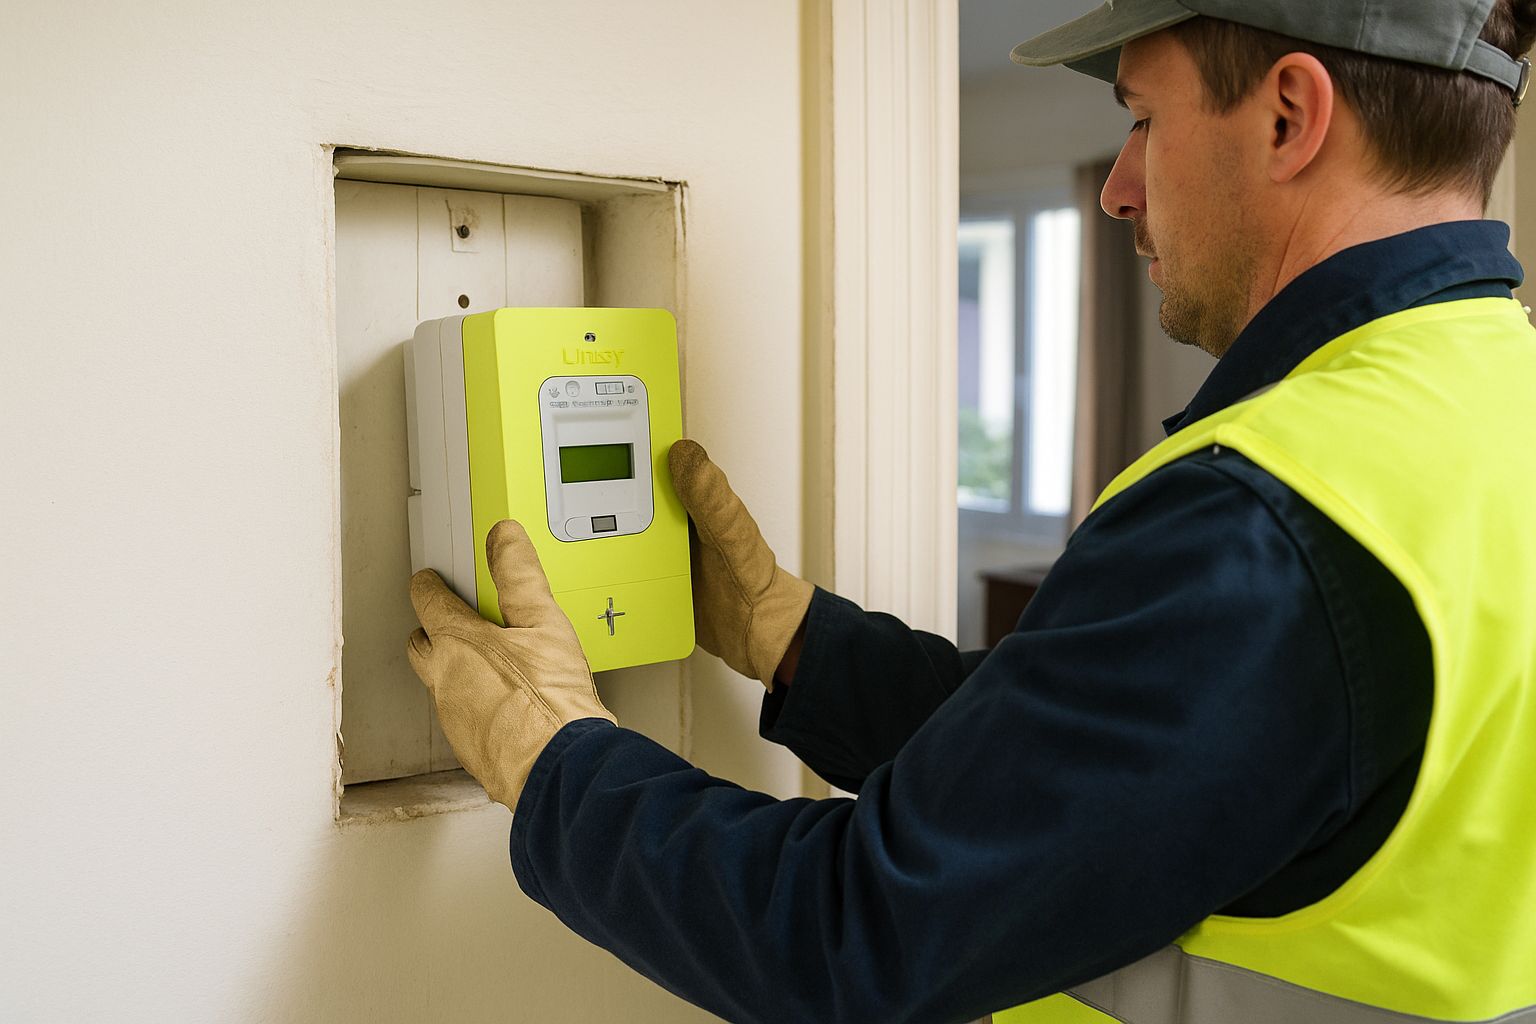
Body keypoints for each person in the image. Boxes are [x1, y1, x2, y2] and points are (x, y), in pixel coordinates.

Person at [404, 1, 1536, 1021]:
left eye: (1144, 120)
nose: (1118, 186)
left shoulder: (1265, 513)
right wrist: (796, 640)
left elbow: (855, 936)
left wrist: (553, 762)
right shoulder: (1492, 407)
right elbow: (1095, 767)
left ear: (1289, 115)